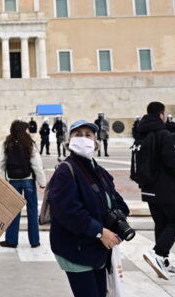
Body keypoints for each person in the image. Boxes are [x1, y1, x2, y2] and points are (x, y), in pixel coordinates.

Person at [47, 120, 130, 297]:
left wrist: (118, 228)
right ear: (69, 141)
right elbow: (67, 211)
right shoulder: (65, 171)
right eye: (78, 134)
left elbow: (119, 204)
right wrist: (100, 232)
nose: (83, 138)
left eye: (88, 135)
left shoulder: (100, 172)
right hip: (75, 248)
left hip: (96, 249)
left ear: (95, 141)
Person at [135, 102, 175, 280]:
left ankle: (163, 261)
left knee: (161, 223)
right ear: (161, 115)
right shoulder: (163, 134)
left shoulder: (141, 133)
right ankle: (158, 253)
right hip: (165, 187)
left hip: (147, 185)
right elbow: (171, 163)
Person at [0, 120, 46, 249]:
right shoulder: (29, 143)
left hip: (13, 180)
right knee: (32, 210)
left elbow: (0, 163)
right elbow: (37, 165)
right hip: (28, 180)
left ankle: (11, 241)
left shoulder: (7, 143)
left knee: (14, 211)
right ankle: (34, 241)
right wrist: (42, 182)